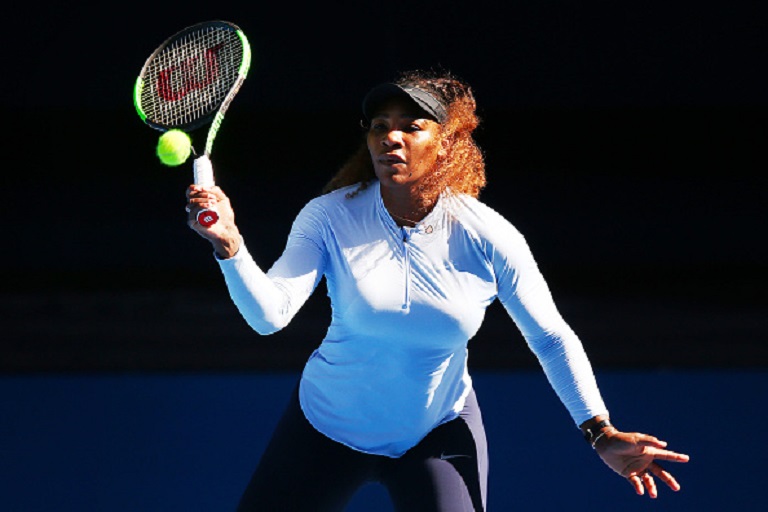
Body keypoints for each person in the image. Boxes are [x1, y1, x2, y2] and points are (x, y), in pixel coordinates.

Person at [185, 69, 689, 511]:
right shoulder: (329, 216)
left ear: (445, 144)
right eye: (380, 127)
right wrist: (231, 245)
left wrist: (599, 431)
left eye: (411, 126)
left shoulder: (487, 235)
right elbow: (269, 315)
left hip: (436, 433)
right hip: (324, 426)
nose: (391, 138)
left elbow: (551, 337)